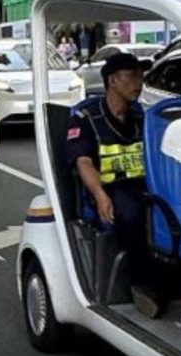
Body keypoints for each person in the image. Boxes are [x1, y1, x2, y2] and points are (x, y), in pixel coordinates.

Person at [65, 52, 166, 317]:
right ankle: (141, 285)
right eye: (131, 76)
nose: (139, 82)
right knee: (131, 213)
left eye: (141, 76)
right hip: (111, 188)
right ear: (112, 81)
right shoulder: (86, 117)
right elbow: (83, 161)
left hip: (146, 185)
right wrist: (99, 194)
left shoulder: (142, 115)